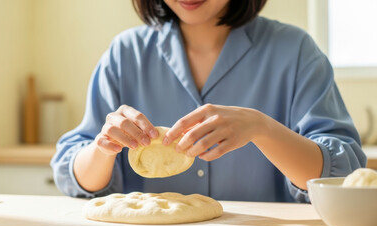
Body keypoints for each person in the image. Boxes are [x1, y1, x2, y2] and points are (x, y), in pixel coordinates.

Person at [51, 0, 366, 202]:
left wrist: (263, 129)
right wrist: (103, 147)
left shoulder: (295, 51)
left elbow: (343, 177)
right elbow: (77, 178)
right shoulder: (124, 54)